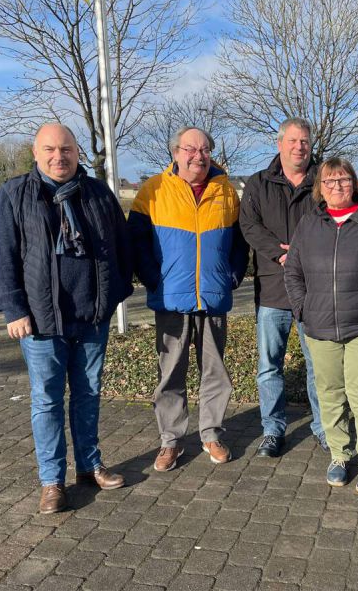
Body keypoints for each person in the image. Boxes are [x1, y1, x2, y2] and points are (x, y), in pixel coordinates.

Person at [0, 123, 133, 514]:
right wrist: (13, 308)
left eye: (66, 149)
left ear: (77, 152)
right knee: (47, 401)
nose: (58, 157)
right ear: (35, 153)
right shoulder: (14, 195)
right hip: (40, 322)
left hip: (91, 317)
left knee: (88, 395)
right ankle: (52, 481)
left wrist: (114, 295)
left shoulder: (98, 194)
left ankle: (89, 466)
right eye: (49, 149)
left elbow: (120, 245)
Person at [127, 127, 248, 472]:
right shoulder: (153, 191)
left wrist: (232, 277)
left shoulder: (227, 191)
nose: (199, 156)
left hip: (213, 297)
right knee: (171, 373)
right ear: (176, 153)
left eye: (205, 149)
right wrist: (154, 280)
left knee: (215, 372)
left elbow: (241, 242)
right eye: (190, 149)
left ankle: (211, 434)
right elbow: (136, 243)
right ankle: (171, 441)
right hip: (170, 300)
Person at [285, 157, 358, 494]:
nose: (336, 186)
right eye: (329, 181)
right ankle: (340, 454)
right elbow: (292, 271)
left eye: (343, 180)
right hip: (320, 327)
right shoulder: (309, 224)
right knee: (329, 395)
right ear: (319, 189)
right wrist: (303, 310)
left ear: (354, 184)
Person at [240, 118, 327, 458]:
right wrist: (279, 253)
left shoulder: (323, 180)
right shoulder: (259, 183)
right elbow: (249, 225)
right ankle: (273, 430)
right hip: (273, 289)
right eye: (292, 141)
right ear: (280, 144)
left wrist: (304, 253)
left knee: (318, 366)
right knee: (269, 366)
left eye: (304, 141)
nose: (299, 147)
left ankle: (323, 427)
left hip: (315, 290)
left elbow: (334, 221)